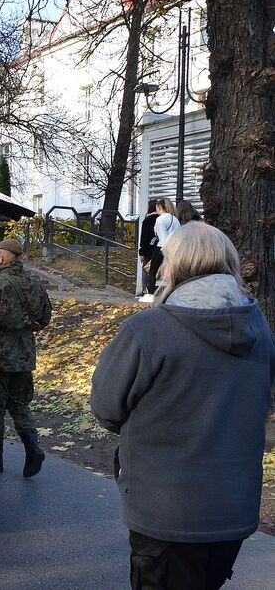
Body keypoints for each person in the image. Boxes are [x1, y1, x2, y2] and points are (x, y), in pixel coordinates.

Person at [91, 222, 274, 590]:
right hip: (231, 513)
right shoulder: (259, 327)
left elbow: (106, 408)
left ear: (174, 264)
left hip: (166, 516)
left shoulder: (149, 329)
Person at [0, 238, 52, 477]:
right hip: (25, 355)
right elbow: (45, 317)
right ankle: (33, 447)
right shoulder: (35, 284)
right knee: (20, 405)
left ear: (1, 257)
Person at [143, 198, 180, 302]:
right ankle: (171, 295)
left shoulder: (160, 219)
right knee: (172, 273)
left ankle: (150, 295)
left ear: (159, 208)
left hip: (161, 248)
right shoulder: (175, 219)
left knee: (152, 271)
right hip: (174, 248)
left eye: (157, 209)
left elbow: (163, 238)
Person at [137, 200, 158, 302]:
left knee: (146, 270)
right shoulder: (162, 218)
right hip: (159, 248)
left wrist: (141, 252)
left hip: (148, 250)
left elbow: (144, 237)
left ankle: (146, 291)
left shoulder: (147, 219)